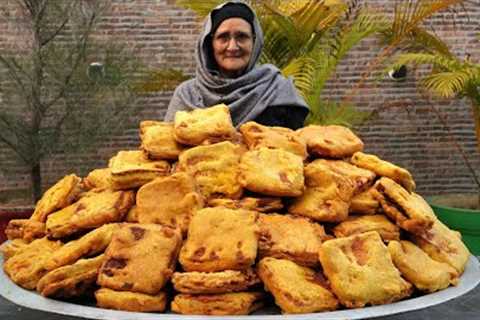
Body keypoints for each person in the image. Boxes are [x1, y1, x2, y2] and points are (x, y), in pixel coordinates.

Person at [165, 1, 309, 130]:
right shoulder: (188, 95)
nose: (232, 47)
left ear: (255, 42)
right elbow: (164, 149)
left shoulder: (277, 90)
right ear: (210, 44)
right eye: (223, 37)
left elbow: (295, 151)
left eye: (242, 36)